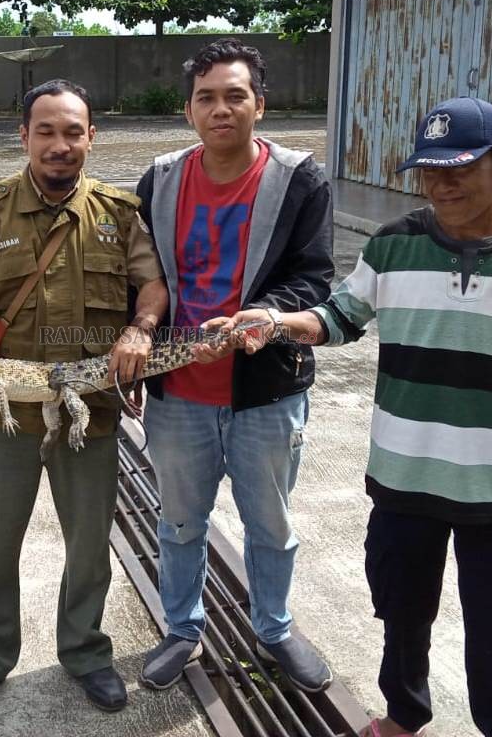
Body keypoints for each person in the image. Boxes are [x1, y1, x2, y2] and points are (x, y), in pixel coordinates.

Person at [227, 97, 492, 737]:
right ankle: (404, 714)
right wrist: (277, 321)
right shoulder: (393, 246)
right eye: (429, 171)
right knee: (402, 608)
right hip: (403, 474)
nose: (441, 185)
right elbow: (340, 317)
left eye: (459, 169)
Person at [0, 79, 168, 717]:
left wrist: (139, 329)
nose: (60, 145)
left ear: (92, 136)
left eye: (73, 132)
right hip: (8, 411)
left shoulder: (120, 214)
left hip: (89, 414)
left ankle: (87, 653)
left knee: (89, 543)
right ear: (25, 137)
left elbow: (150, 287)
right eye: (46, 131)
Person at [134, 38, 336, 693]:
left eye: (234, 95)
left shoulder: (299, 179)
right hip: (179, 394)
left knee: (269, 524)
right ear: (188, 110)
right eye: (206, 98)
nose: (220, 109)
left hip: (266, 392)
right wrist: (135, 343)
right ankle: (182, 629)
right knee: (180, 521)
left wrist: (264, 315)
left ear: (260, 104)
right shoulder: (160, 180)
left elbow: (314, 278)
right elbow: (143, 275)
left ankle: (272, 628)